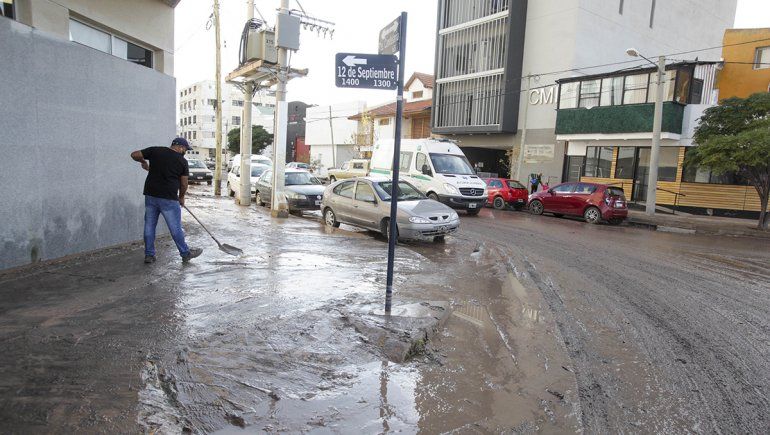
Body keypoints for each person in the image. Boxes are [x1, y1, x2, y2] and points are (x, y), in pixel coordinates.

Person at [130, 138, 203, 264]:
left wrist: (143, 161)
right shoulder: (182, 161)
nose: (185, 151)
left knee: (149, 226)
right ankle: (185, 253)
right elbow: (184, 183)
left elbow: (134, 155)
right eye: (185, 149)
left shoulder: (155, 151)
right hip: (168, 198)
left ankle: (149, 255)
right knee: (175, 228)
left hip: (151, 195)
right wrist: (181, 197)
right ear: (180, 147)